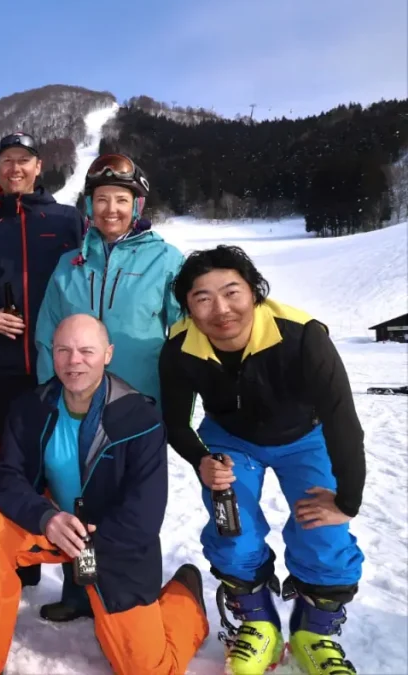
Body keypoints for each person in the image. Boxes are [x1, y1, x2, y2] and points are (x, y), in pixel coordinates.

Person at [0, 314, 209, 675]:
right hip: (51, 526)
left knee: (148, 669)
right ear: (52, 355)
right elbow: (6, 476)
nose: (74, 361)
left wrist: (87, 544)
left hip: (115, 544)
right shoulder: (32, 407)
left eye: (87, 350)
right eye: (64, 350)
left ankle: (185, 597)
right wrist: (46, 517)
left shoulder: (139, 418)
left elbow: (145, 515)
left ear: (108, 354)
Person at [159, 246, 365, 675]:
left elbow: (342, 419)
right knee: (231, 523)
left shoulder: (302, 335)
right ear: (189, 309)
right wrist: (201, 460)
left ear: (254, 291)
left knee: (323, 528)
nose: (220, 309)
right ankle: (257, 623)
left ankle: (315, 631)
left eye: (232, 292)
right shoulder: (179, 347)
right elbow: (176, 423)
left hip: (305, 436)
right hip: (232, 439)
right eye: (202, 298)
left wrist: (347, 501)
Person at [34, 153, 184, 621]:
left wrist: (179, 406)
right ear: (88, 205)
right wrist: (47, 396)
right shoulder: (69, 264)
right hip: (74, 403)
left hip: (136, 409)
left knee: (132, 504)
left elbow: (183, 337)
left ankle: (134, 592)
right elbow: (48, 332)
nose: (111, 209)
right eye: (102, 199)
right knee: (75, 495)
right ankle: (80, 591)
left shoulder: (166, 259)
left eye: (122, 199)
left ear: (137, 205)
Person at [0, 131, 83, 587]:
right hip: (2, 372)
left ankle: (75, 578)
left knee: (67, 469)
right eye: (7, 160)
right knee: (9, 467)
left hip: (59, 371)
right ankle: (17, 563)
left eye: (23, 160)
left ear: (39, 165)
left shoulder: (67, 221)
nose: (15, 169)